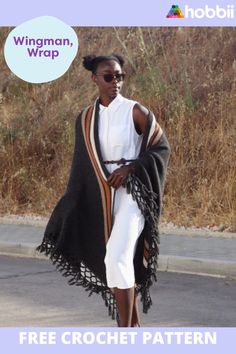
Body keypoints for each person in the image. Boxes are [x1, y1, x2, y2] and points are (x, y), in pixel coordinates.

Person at [36, 54, 171, 327]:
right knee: (114, 264)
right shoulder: (85, 118)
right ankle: (132, 329)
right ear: (94, 79)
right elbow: (81, 165)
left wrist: (130, 169)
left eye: (119, 76)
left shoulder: (135, 111)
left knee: (118, 256)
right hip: (102, 197)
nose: (115, 82)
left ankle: (125, 330)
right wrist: (70, 204)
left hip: (133, 197)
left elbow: (161, 147)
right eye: (108, 77)